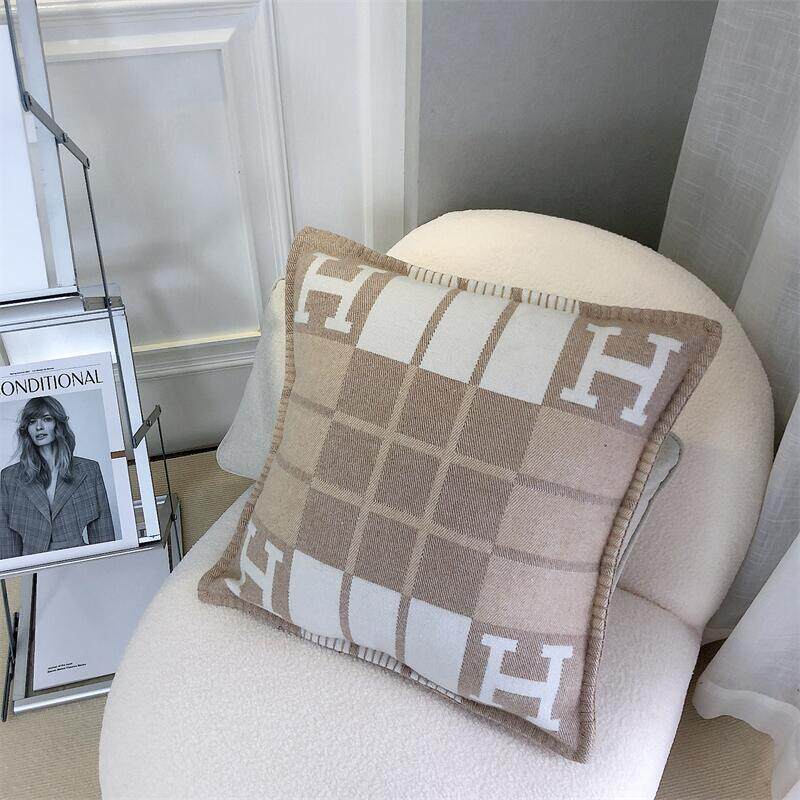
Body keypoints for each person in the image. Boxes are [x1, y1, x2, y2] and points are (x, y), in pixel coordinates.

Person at [0, 395, 115, 559]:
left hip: (80, 563)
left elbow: (104, 537)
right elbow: (7, 544)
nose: (39, 427)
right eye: (32, 422)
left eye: (46, 419)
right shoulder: (9, 477)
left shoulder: (89, 470)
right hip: (34, 567)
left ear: (58, 424)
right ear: (27, 429)